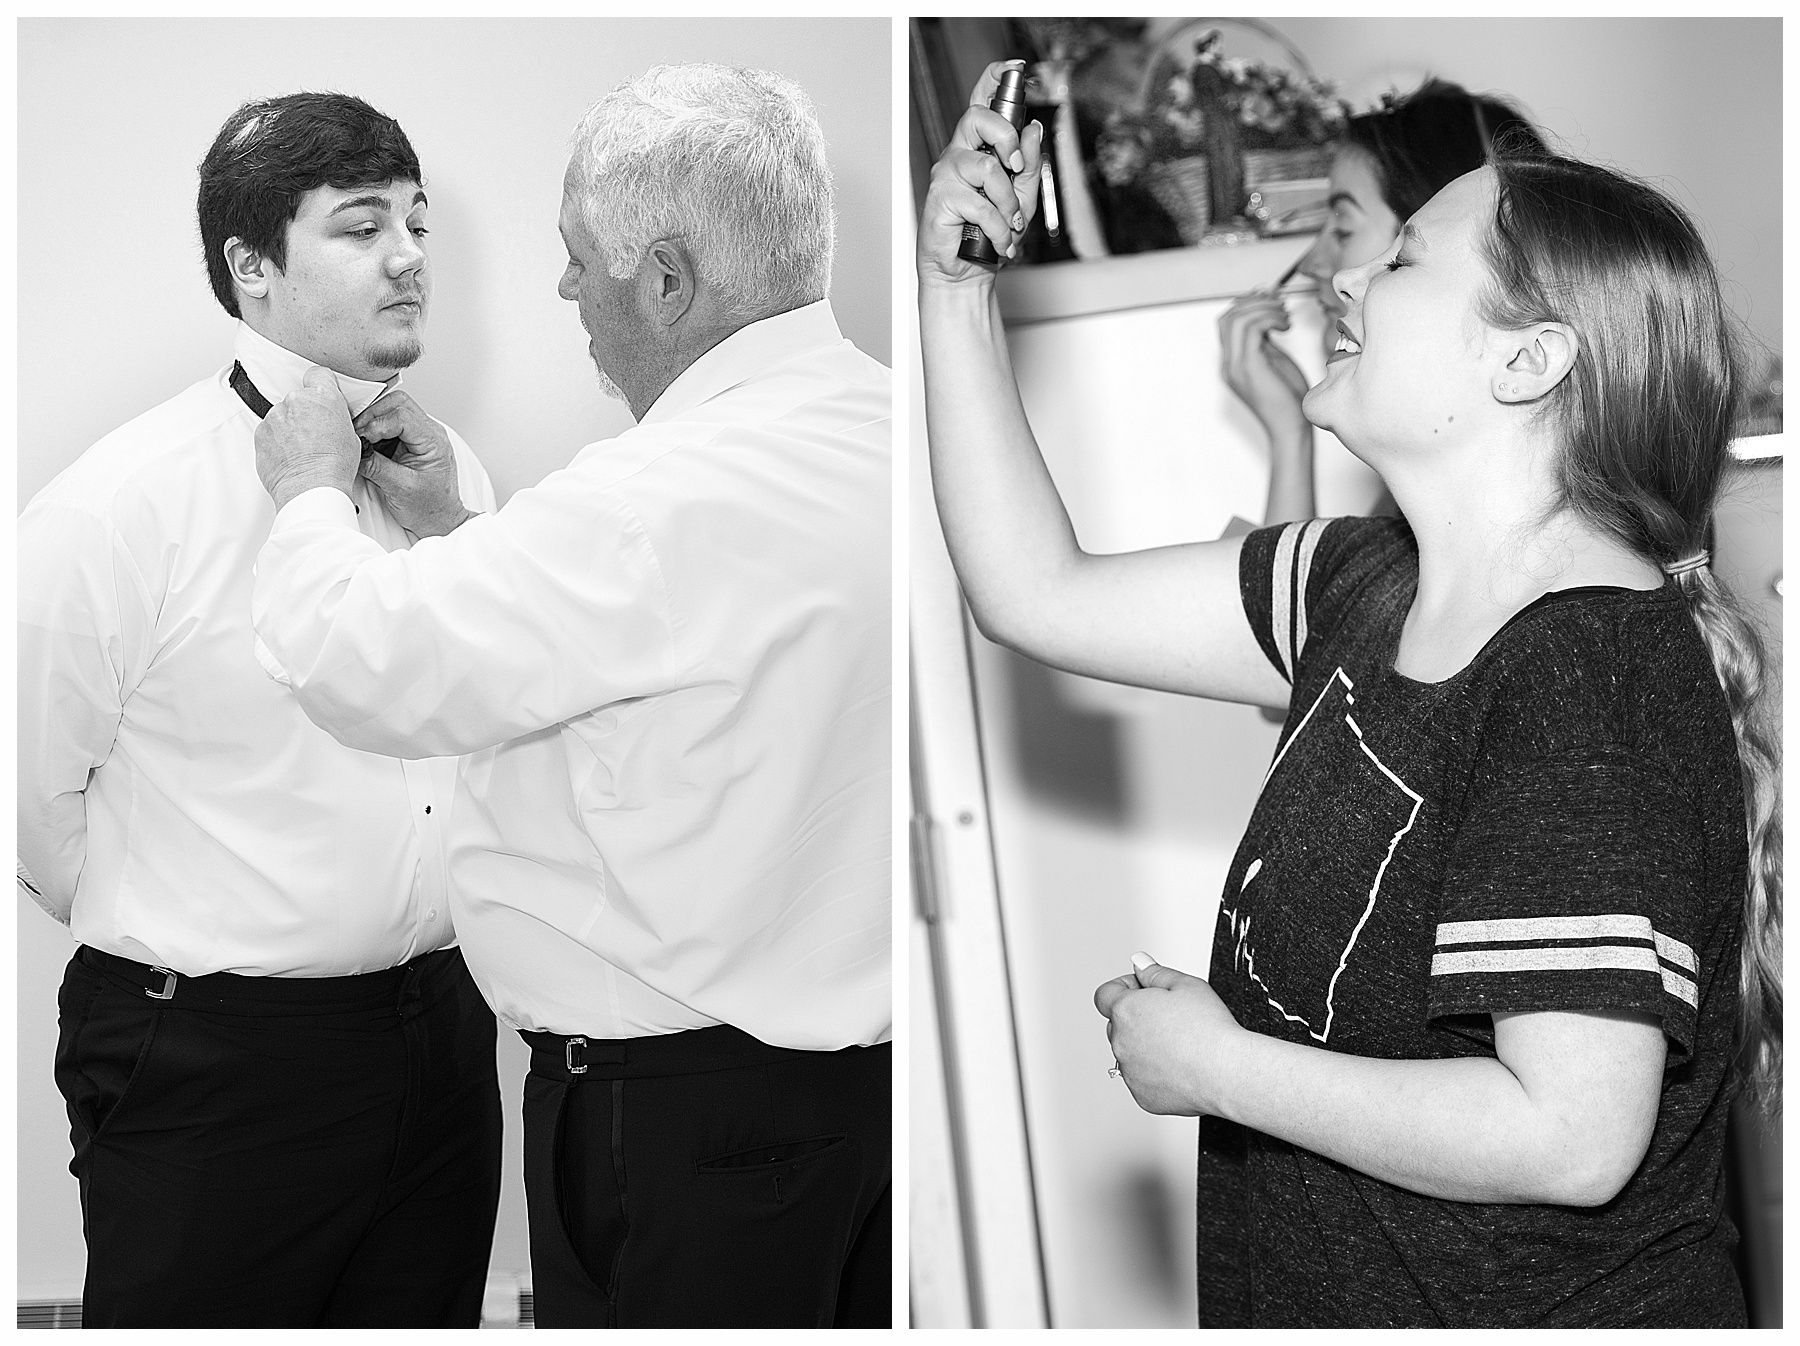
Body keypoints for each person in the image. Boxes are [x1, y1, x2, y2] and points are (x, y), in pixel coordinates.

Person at [919, 60, 1778, 1327]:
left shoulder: (1585, 675)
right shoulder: (1362, 581)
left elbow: (1572, 1132)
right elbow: (1033, 591)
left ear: (1530, 361)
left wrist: (1224, 1067)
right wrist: (954, 295)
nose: (1345, 276)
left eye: (1404, 259)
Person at [246, 64, 891, 1329]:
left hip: (681, 1141)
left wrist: (312, 491)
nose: (562, 289)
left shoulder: (648, 499)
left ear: (664, 280)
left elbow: (349, 652)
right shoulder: (886, 429)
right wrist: (460, 530)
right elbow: (655, 660)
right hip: (858, 1112)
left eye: (577, 256)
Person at [17, 92, 502, 1328]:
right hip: (210, 1066)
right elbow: (33, 806)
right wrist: (197, 940)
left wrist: (464, 532)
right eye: (358, 225)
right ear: (252, 265)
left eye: (416, 220)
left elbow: (507, 720)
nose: (407, 257)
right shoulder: (114, 506)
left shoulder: (454, 475)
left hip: (440, 1038)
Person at [1217, 79, 1545, 523]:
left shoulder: (1494, 526)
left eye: (1344, 229)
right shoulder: (1422, 511)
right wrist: (1289, 433)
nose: (1319, 267)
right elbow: (1288, 588)